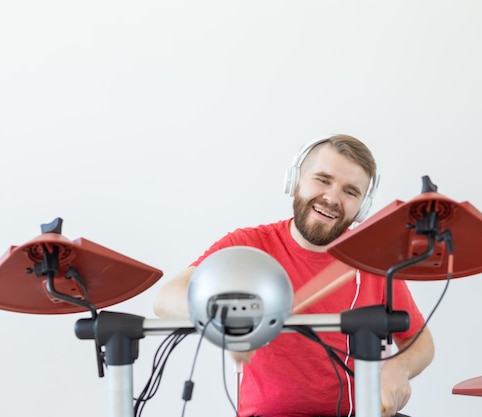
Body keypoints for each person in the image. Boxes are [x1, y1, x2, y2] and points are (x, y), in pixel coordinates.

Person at [153, 134, 435, 417]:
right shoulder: (248, 246)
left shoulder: (371, 259)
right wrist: (227, 319)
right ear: (295, 181)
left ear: (362, 206)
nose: (332, 198)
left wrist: (399, 368)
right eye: (323, 180)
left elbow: (420, 341)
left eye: (350, 192)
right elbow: (167, 299)